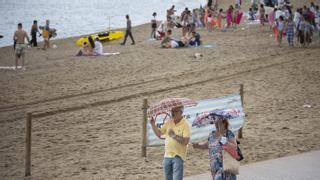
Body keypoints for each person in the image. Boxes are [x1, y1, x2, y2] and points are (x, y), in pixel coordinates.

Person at [150, 106, 190, 180]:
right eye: (172, 111)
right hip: (167, 156)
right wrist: (152, 124)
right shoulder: (169, 122)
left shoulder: (185, 124)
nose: (172, 113)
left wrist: (174, 136)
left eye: (175, 111)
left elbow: (186, 141)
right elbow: (159, 133)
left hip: (178, 156)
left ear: (181, 112)